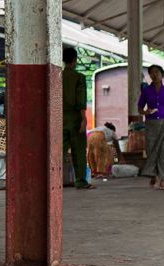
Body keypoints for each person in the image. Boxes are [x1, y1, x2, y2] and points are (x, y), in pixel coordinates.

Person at [137, 64, 164, 190]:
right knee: (151, 150)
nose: (154, 75)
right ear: (149, 75)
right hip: (151, 124)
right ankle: (154, 175)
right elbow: (139, 108)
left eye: (157, 72)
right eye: (152, 73)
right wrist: (145, 112)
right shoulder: (146, 91)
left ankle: (163, 179)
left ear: (162, 75)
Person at [63, 47, 94, 189]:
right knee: (79, 150)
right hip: (75, 117)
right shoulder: (79, 78)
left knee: (58, 151)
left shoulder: (56, 76)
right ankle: (81, 181)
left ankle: (51, 180)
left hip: (58, 117)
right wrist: (84, 119)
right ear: (75, 60)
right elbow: (81, 101)